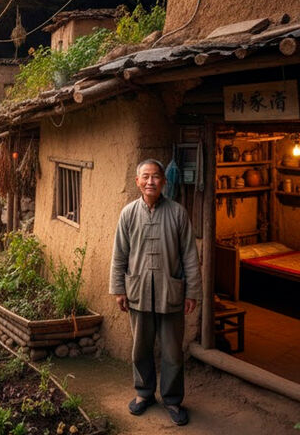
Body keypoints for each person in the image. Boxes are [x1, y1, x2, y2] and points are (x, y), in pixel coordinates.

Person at [109, 159, 202, 426]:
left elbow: (190, 255)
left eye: (156, 177)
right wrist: (119, 289)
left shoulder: (177, 213)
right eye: (146, 177)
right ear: (137, 182)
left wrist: (192, 292)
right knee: (140, 349)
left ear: (164, 181)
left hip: (170, 293)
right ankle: (144, 393)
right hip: (137, 291)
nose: (151, 181)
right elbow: (119, 254)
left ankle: (172, 400)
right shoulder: (128, 214)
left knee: (172, 352)